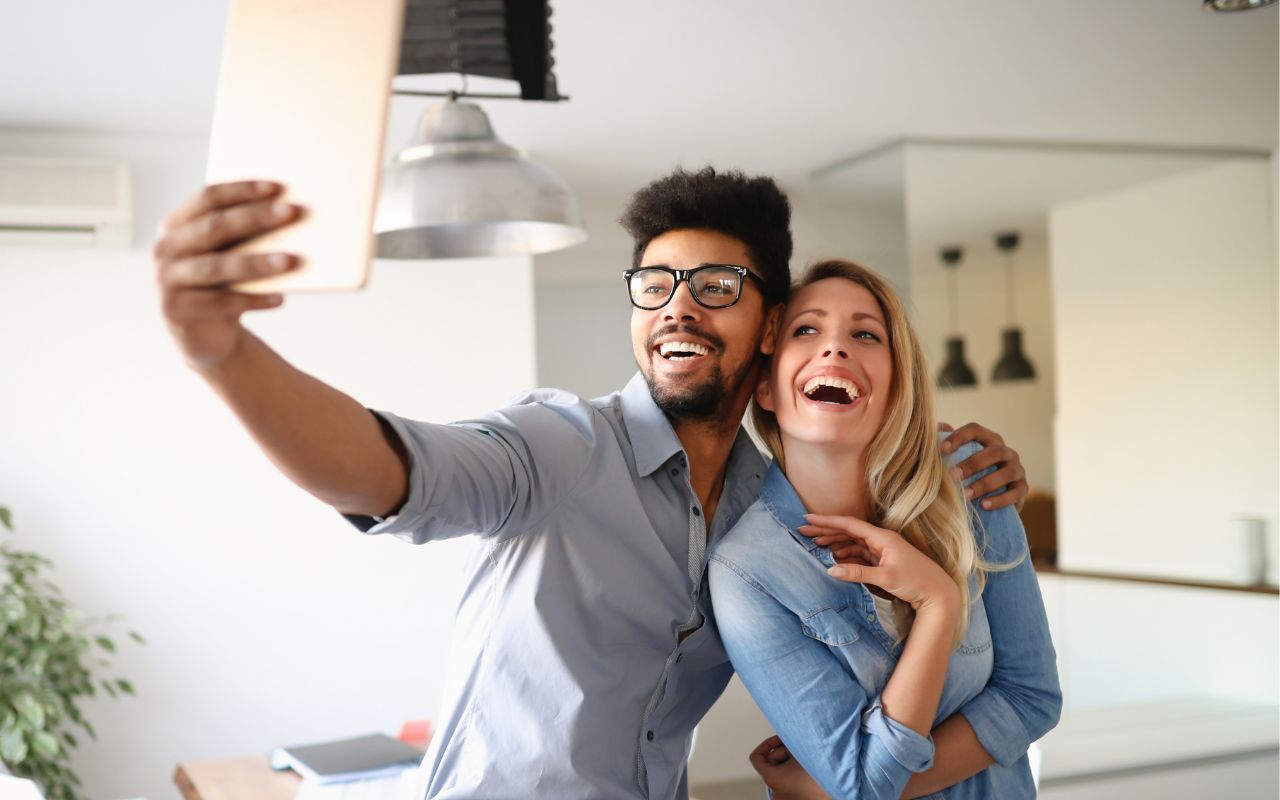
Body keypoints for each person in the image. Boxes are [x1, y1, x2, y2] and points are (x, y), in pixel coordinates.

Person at [151, 167, 1030, 799]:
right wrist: (224, 354)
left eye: (715, 286)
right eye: (653, 286)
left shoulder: (777, 514)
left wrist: (978, 473)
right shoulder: (560, 444)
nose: (676, 308)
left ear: (769, 328)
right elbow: (394, 471)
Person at [708, 260, 1061, 800]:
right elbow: (864, 786)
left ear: (898, 386)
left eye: (865, 333)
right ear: (766, 389)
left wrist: (844, 787)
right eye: (807, 329)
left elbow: (1034, 695)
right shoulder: (745, 570)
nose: (834, 348)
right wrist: (939, 603)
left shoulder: (970, 480)